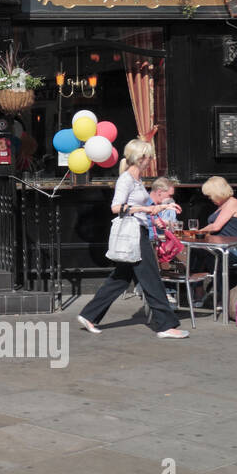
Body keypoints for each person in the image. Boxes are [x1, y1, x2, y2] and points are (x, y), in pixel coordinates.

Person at [76, 139, 188, 339]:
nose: (151, 160)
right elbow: (115, 207)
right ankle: (165, 325)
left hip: (139, 230)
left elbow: (144, 208)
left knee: (120, 278)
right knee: (152, 278)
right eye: (149, 157)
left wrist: (161, 210)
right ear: (141, 158)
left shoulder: (136, 180)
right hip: (134, 235)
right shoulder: (126, 179)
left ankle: (89, 314)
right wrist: (145, 209)